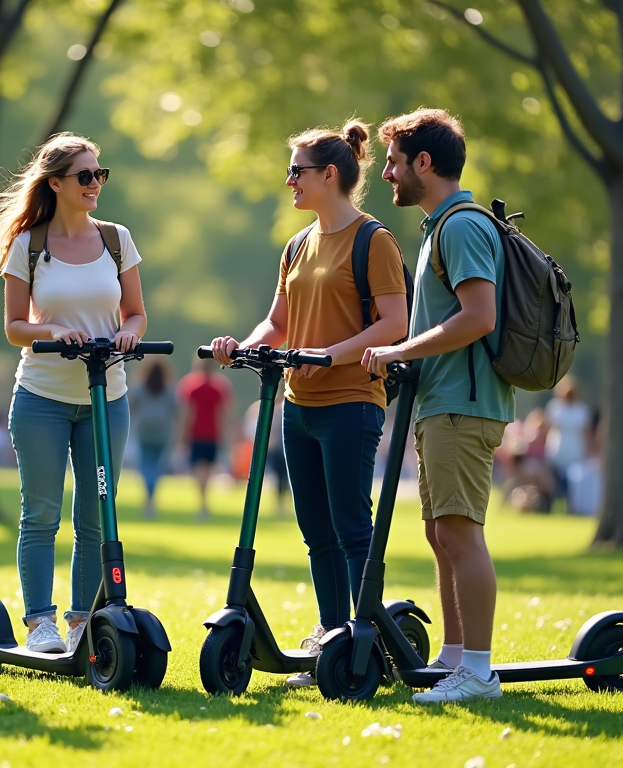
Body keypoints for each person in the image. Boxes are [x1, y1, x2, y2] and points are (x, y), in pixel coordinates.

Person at [212, 120, 409, 688]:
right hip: (298, 404)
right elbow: (277, 323)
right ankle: (331, 637)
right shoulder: (297, 245)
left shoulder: (375, 241)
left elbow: (394, 324)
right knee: (315, 530)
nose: (289, 180)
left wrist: (327, 354)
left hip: (352, 401)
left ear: (330, 175)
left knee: (351, 527)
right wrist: (242, 347)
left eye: (297, 171)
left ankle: (361, 638)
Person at [363, 108, 515, 702]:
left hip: (463, 402)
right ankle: (455, 658)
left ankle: (478, 672)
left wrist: (400, 348)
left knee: (460, 532)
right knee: (439, 532)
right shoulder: (438, 228)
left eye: (396, 163)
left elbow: (480, 317)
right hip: (441, 402)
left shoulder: (460, 226)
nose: (390, 175)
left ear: (424, 163)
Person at [0, 132, 147, 654]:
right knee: (41, 514)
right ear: (55, 183)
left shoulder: (117, 239)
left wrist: (130, 332)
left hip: (108, 397)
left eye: (100, 173)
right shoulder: (28, 246)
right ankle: (40, 624)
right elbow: (13, 327)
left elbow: (137, 313)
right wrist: (51, 331)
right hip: (41, 400)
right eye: (84, 175)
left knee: (95, 516)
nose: (95, 183)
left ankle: (81, 621)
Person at [176, 358, 233, 519]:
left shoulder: (191, 385)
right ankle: (204, 503)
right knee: (207, 469)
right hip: (212, 434)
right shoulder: (220, 386)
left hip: (198, 434)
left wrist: (183, 436)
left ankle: (203, 503)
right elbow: (224, 413)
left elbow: (187, 414)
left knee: (200, 469)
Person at [129, 359, 178, 518]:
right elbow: (176, 410)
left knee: (146, 465)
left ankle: (148, 501)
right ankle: (151, 501)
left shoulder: (140, 388)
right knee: (156, 467)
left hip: (144, 431)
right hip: (162, 432)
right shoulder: (169, 390)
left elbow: (131, 406)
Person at [544, 375, 591, 506]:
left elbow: (585, 433)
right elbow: (547, 429)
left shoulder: (581, 409)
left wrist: (588, 451)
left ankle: (571, 505)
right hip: (557, 447)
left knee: (572, 482)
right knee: (555, 479)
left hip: (575, 449)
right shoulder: (554, 407)